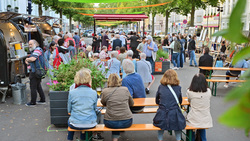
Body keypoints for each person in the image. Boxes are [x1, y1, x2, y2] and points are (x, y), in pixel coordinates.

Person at [67, 69, 102, 141]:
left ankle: (69, 139)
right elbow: (94, 108)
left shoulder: (72, 92)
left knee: (70, 121)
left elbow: (69, 110)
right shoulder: (93, 92)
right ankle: (83, 139)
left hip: (75, 123)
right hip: (90, 123)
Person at [153, 69, 186, 141]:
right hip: (174, 113)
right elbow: (180, 101)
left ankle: (160, 139)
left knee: (161, 127)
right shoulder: (178, 88)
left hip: (162, 113)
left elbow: (156, 100)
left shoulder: (160, 87)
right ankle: (178, 139)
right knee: (177, 126)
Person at [101, 73, 134, 141]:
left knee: (113, 117)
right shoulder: (125, 89)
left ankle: (115, 138)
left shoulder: (105, 91)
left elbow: (103, 103)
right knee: (118, 118)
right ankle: (116, 137)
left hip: (110, 122)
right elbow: (132, 103)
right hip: (126, 121)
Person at [186, 73, 213, 141]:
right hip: (205, 118)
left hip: (193, 118)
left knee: (191, 128)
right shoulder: (208, 92)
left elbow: (189, 101)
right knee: (202, 128)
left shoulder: (190, 92)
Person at [25, 40, 46, 107]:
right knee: (38, 86)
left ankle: (32, 102)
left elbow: (33, 58)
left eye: (31, 44)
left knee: (33, 87)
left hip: (35, 72)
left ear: (35, 44)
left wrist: (27, 59)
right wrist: (29, 59)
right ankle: (42, 99)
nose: (29, 46)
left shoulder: (37, 50)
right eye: (29, 44)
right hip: (38, 71)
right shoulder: (38, 50)